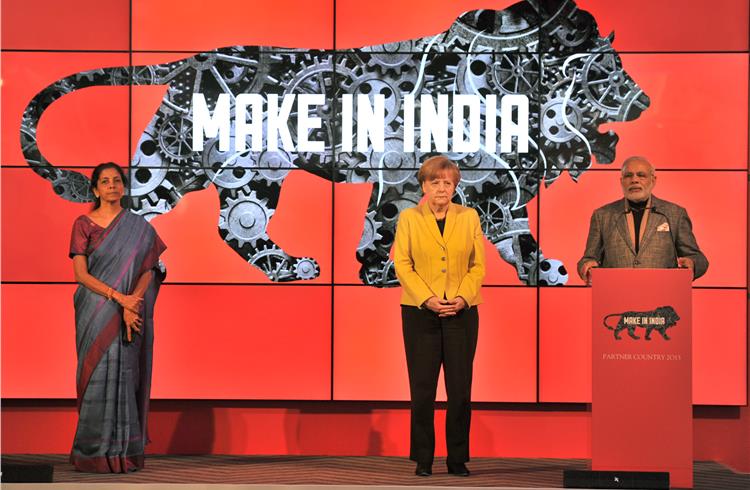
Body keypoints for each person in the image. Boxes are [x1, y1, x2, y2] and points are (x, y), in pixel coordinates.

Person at [69, 162, 166, 472]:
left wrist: (132, 303)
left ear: (123, 187)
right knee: (95, 376)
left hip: (129, 311)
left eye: (116, 181)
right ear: (96, 189)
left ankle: (124, 452)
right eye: (104, 181)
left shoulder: (140, 227)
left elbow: (149, 271)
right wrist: (118, 298)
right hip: (95, 309)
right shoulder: (83, 224)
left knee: (125, 375)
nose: (111, 185)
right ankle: (93, 453)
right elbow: (81, 275)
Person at [393, 156, 486, 477]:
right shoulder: (409, 218)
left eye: (448, 182)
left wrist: (461, 298)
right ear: (423, 186)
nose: (442, 188)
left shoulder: (469, 216)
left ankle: (457, 459)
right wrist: (427, 299)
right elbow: (402, 264)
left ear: (455, 186)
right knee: (422, 389)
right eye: (435, 182)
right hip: (420, 313)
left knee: (460, 390)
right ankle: (423, 458)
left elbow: (478, 265)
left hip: (462, 312)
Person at [578, 156, 708, 284]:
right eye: (628, 175)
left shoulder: (675, 214)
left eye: (641, 175)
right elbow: (588, 259)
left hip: (663, 297)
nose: (634, 180)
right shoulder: (602, 215)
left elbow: (698, 258)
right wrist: (588, 266)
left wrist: (692, 264)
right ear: (621, 181)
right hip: (615, 297)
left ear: (653, 180)